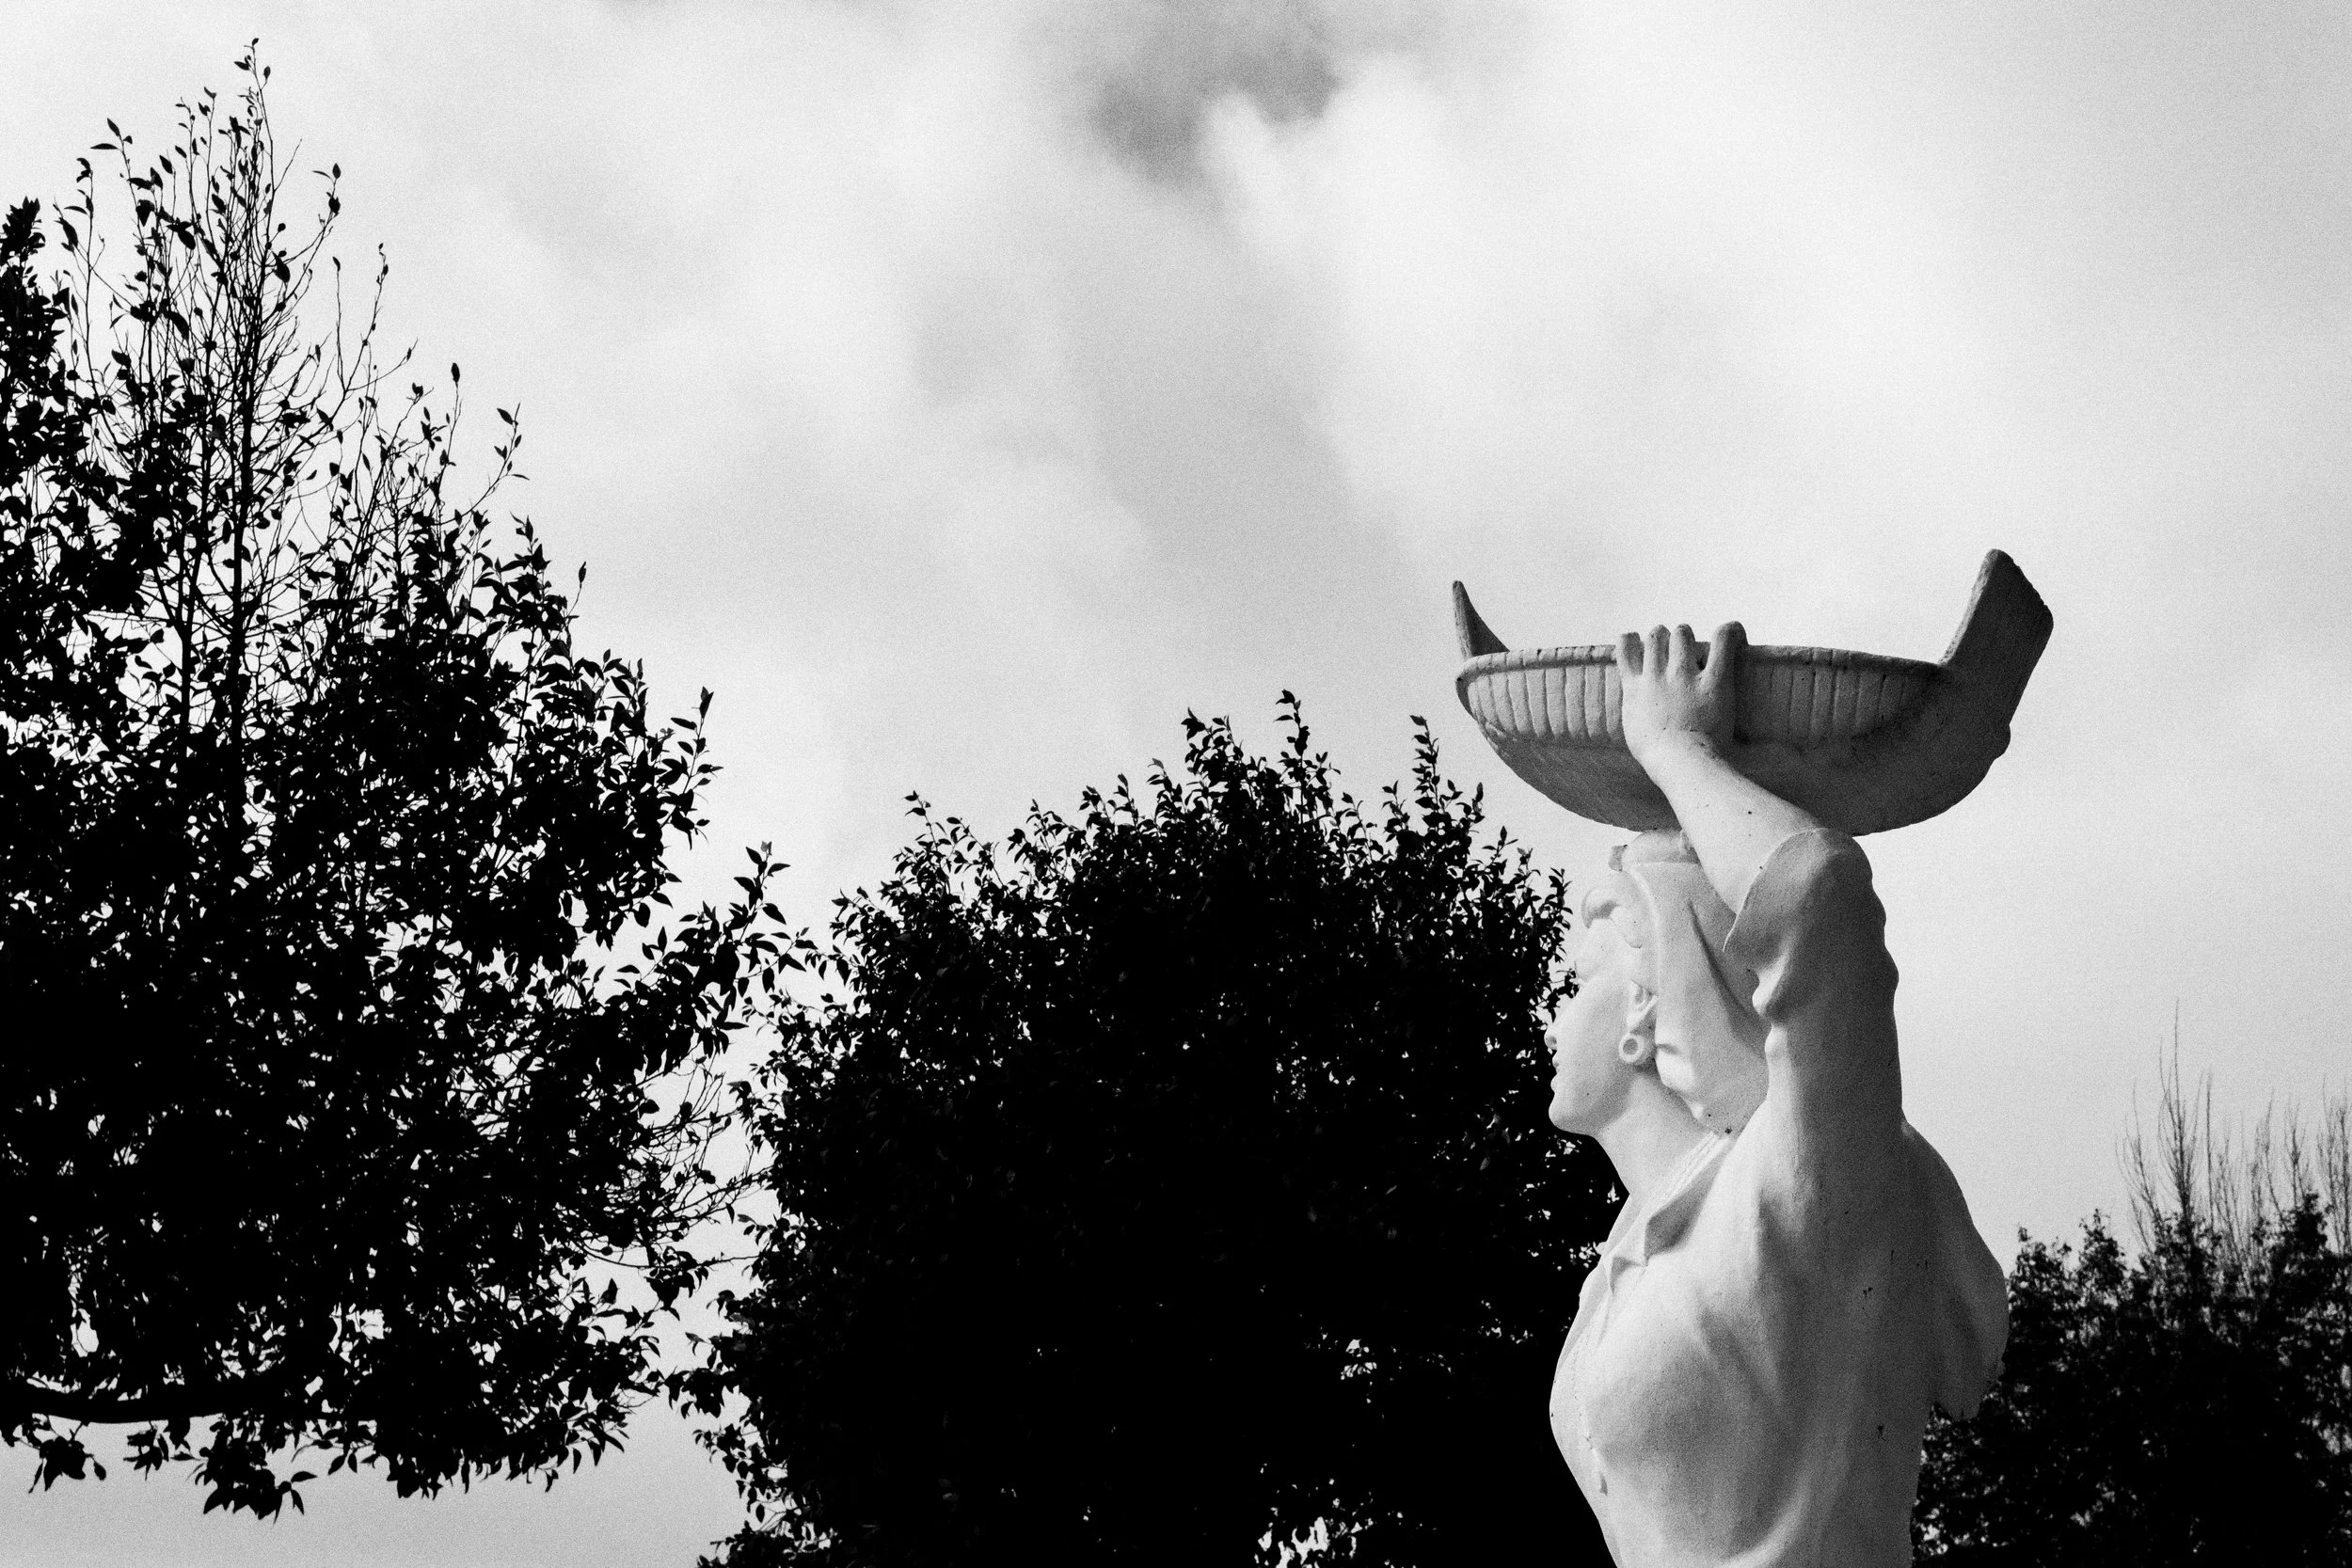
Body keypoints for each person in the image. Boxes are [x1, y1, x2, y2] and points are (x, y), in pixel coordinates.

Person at [1547, 623, 2009, 1568]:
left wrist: (1677, 753)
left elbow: (1821, 900)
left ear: (1646, 995)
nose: (1546, 1015)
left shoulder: (1804, 1182)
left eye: (1572, 981)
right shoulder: (1630, 1260)